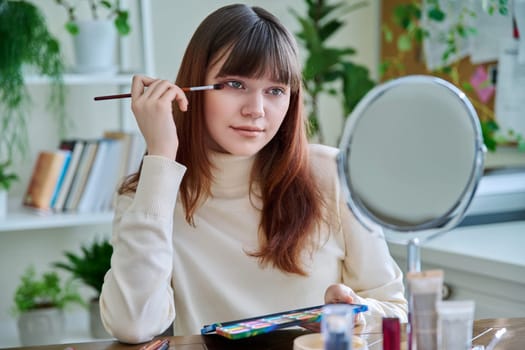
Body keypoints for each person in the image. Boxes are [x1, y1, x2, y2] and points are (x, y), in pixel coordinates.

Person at [99, 3, 407, 343]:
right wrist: (160, 156)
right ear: (191, 88)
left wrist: (356, 315)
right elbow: (133, 325)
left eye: (275, 91)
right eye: (234, 84)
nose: (256, 110)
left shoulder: (331, 175)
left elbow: (394, 307)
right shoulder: (150, 195)